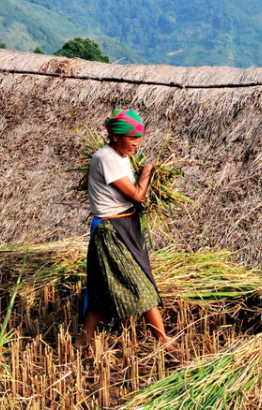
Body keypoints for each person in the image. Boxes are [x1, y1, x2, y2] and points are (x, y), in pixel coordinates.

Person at [79, 108, 175, 353]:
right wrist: (147, 172)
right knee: (142, 286)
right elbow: (137, 196)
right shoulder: (106, 157)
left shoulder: (121, 156)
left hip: (125, 225)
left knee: (101, 293)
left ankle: (82, 341)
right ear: (114, 137)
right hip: (111, 231)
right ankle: (164, 344)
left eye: (139, 138)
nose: (136, 143)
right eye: (132, 138)